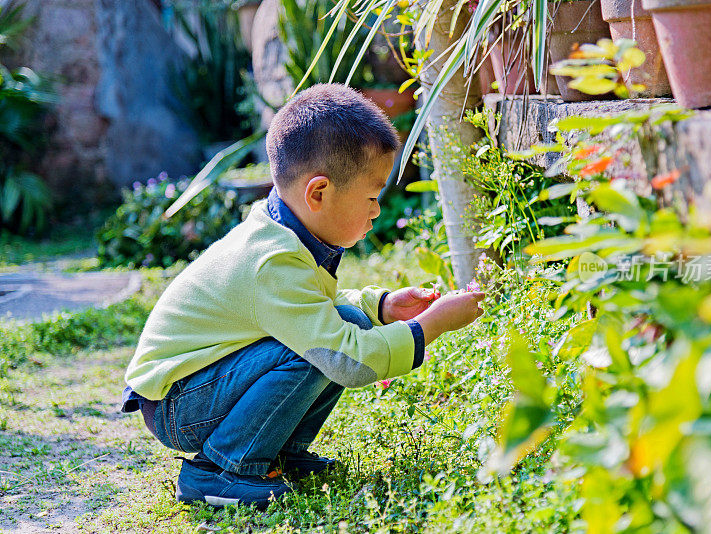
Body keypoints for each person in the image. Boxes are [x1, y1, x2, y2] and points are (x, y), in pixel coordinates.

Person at [120, 83, 485, 509]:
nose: (377, 210)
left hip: (196, 385)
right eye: (371, 197)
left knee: (345, 324)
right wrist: (432, 324)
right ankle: (221, 470)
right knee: (318, 348)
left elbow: (310, 307)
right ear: (318, 193)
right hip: (177, 403)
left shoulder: (284, 232)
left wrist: (381, 306)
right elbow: (345, 358)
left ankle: (277, 453)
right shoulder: (272, 260)